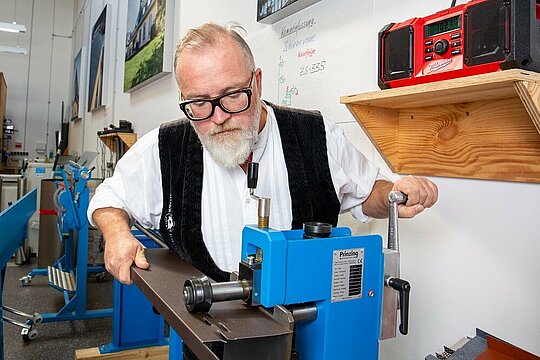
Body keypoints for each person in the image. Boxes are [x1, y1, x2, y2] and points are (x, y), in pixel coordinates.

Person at [88, 22, 438, 286]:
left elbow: (367, 194)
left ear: (257, 82)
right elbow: (110, 197)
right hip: (204, 332)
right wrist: (117, 232)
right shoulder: (166, 147)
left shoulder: (317, 135)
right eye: (199, 103)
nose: (219, 117)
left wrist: (394, 194)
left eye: (233, 95)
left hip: (307, 328)